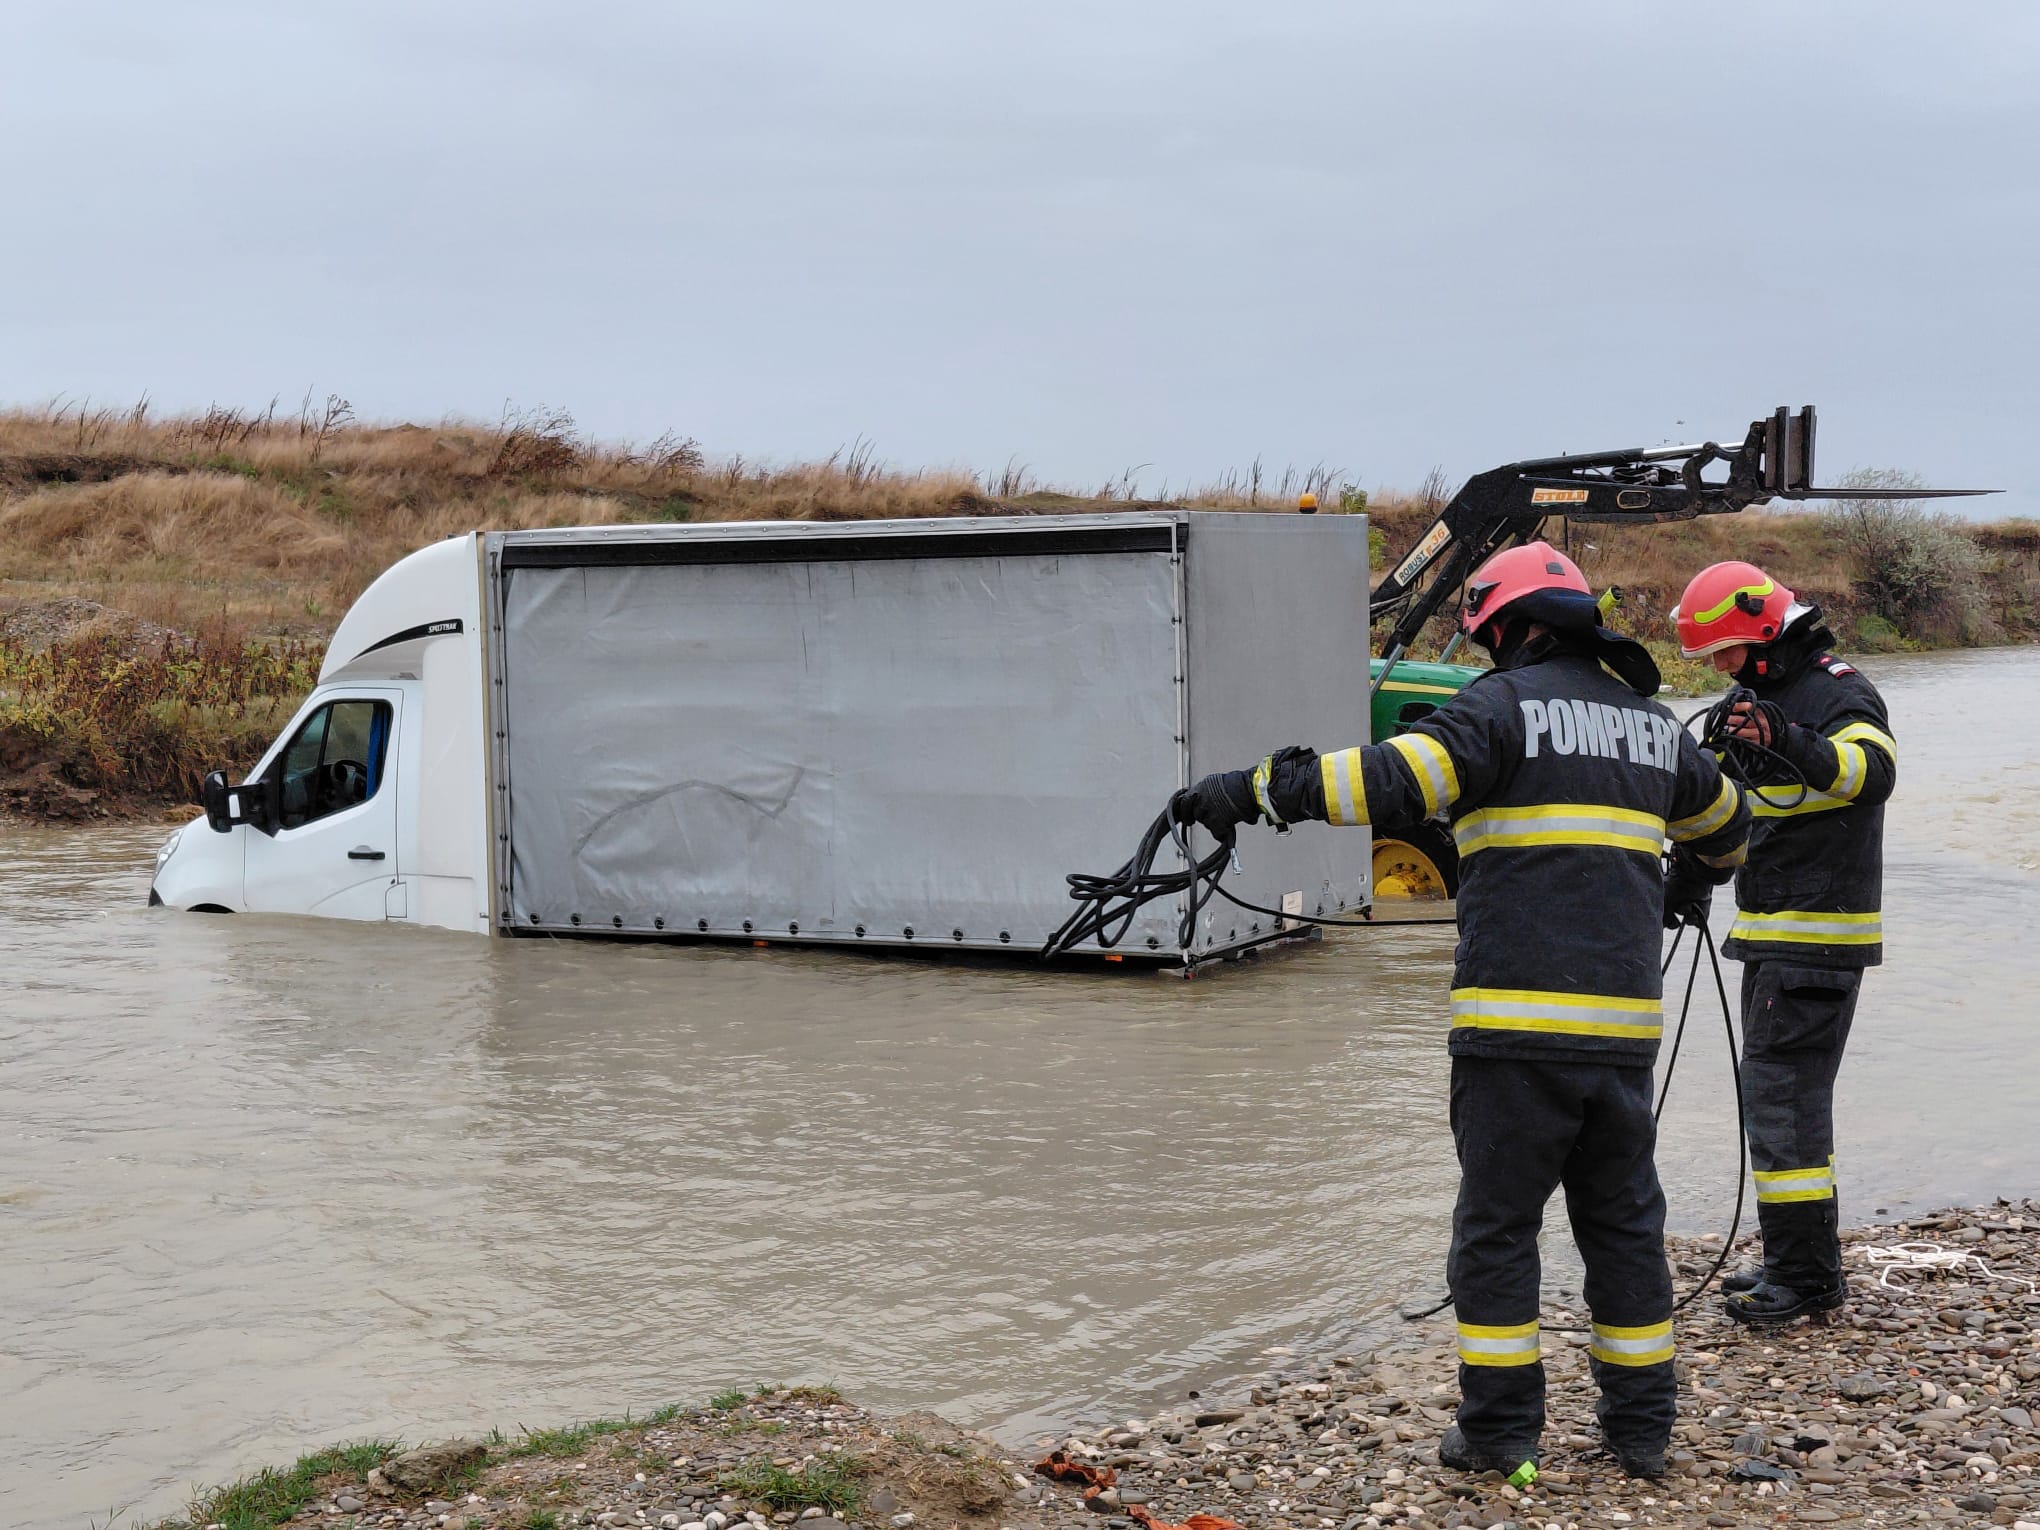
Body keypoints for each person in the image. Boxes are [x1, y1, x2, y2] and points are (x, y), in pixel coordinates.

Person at [1179, 542, 1749, 1480]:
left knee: (1496, 1231)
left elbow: (1387, 783)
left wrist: (1248, 793)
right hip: (1622, 1041)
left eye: (1486, 636)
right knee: (1623, 1228)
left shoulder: (1497, 710)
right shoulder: (1653, 727)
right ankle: (1642, 1430)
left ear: (1510, 627)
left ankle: (1498, 1435)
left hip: (1513, 1037)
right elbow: (1729, 831)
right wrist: (1683, 882)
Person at [1672, 561, 1895, 1324]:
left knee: (1783, 1105)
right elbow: (1725, 807)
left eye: (1727, 653)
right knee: (1783, 1103)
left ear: (1766, 633)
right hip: (1775, 934)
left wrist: (1792, 740)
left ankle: (1803, 1279)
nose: (1722, 669)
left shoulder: (1837, 692)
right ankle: (1797, 1264)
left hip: (1816, 939)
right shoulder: (1755, 700)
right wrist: (1689, 880)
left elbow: (1874, 773)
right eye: (1714, 661)